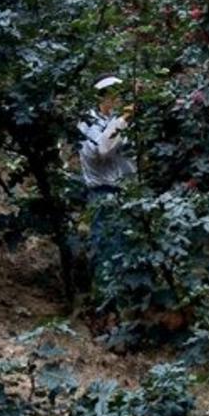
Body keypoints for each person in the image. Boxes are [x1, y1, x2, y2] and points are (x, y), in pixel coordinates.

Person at [77, 75, 137, 282]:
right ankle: (103, 292)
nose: (119, 99)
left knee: (127, 250)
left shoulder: (118, 121)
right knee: (106, 248)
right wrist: (123, 120)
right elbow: (102, 150)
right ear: (103, 97)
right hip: (103, 193)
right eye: (114, 95)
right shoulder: (89, 123)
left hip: (127, 193)